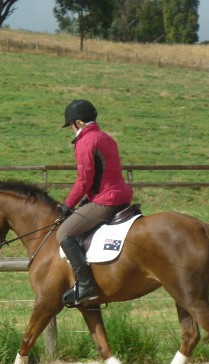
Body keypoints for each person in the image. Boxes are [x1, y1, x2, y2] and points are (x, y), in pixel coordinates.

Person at [56, 99, 133, 305]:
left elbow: (84, 180)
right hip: (121, 195)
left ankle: (85, 284)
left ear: (79, 123)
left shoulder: (86, 142)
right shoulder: (106, 137)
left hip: (106, 200)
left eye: (71, 125)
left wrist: (67, 205)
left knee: (64, 232)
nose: (71, 130)